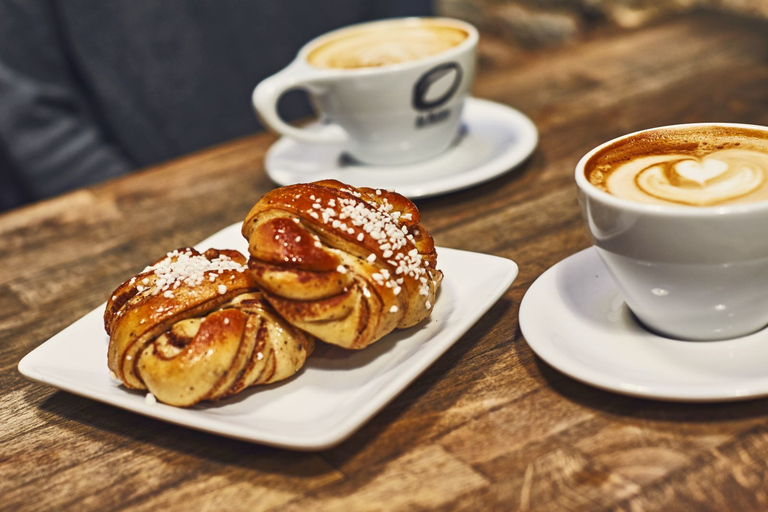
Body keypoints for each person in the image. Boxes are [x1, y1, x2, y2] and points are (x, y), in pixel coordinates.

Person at [0, 0, 431, 211]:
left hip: (394, 171)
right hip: (157, 208)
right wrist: (158, 220)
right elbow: (37, 122)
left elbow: (407, 21)